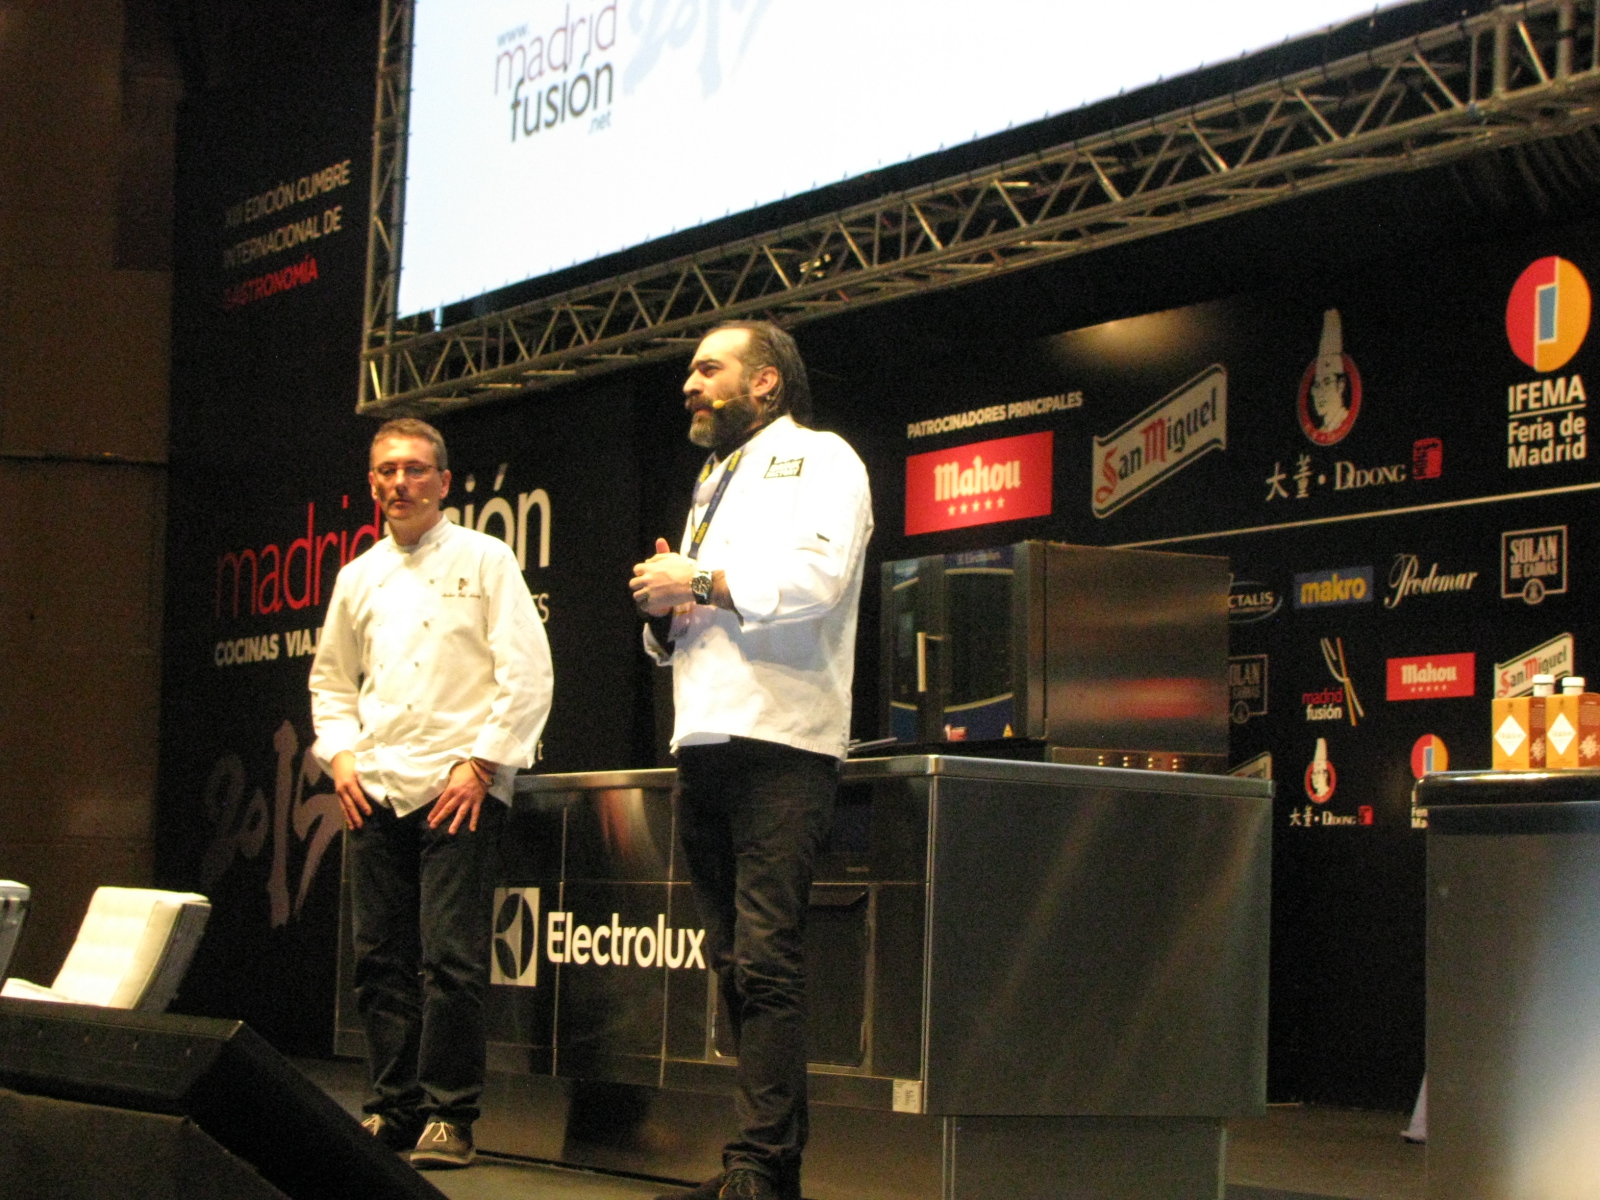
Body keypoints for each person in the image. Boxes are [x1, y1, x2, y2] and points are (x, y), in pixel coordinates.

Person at [630, 321, 874, 1200]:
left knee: (767, 958)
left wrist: (694, 582)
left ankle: (760, 1165)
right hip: (703, 738)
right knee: (733, 960)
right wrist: (665, 612)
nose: (689, 384)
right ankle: (767, 1165)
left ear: (765, 382)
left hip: (784, 740)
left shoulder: (823, 458)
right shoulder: (711, 481)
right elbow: (692, 624)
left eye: (709, 369)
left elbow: (817, 581)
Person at [309, 417, 552, 1169]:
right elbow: (330, 682)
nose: (400, 482)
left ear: (443, 483)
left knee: (451, 961)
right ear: (372, 483)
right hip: (376, 787)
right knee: (379, 960)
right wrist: (340, 757)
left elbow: (527, 672)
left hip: (458, 787)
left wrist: (482, 765)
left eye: (415, 469)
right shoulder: (358, 576)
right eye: (387, 471)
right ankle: (391, 1107)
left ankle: (450, 1115)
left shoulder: (485, 558)